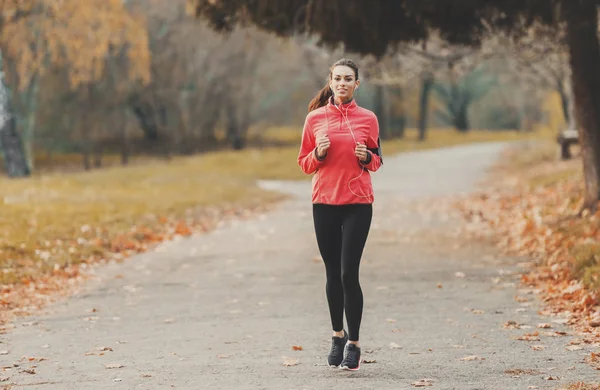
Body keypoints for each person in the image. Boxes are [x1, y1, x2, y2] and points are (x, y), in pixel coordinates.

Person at [297, 58, 383, 371]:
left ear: (356, 84)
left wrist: (366, 157)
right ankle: (337, 334)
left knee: (349, 273)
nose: (342, 83)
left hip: (358, 203)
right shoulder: (315, 119)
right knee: (332, 273)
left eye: (348, 79)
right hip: (324, 203)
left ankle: (354, 343)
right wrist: (318, 153)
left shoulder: (368, 118)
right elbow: (304, 163)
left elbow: (376, 159)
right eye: (337, 78)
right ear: (330, 82)